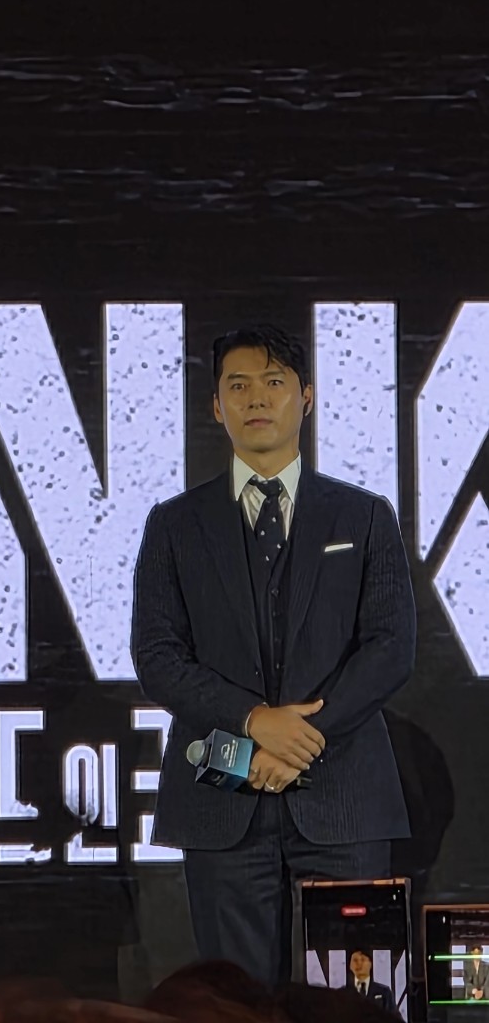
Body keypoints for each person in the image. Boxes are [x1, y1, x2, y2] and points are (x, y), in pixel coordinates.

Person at [131, 324, 416, 987]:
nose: (256, 398)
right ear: (216, 405)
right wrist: (256, 722)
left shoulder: (363, 516)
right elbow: (158, 655)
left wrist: (301, 739)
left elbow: (391, 647)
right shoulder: (175, 524)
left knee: (355, 997)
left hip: (344, 793)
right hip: (222, 787)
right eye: (238, 385)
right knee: (235, 1001)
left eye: (274, 383)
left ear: (306, 397)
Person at [348, 950, 398, 1014]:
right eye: (355, 960)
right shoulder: (343, 995)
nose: (359, 963)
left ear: (370, 964)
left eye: (363, 960)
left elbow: (394, 1016)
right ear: (350, 966)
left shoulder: (385, 992)